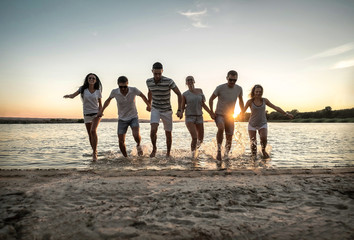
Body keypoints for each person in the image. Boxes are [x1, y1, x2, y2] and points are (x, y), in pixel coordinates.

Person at [97, 76, 151, 157]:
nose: (123, 88)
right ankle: (125, 158)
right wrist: (101, 111)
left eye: (125, 86)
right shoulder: (114, 92)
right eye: (120, 87)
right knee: (121, 141)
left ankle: (138, 145)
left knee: (136, 135)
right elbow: (108, 101)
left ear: (127, 84)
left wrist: (149, 105)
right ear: (118, 85)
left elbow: (142, 96)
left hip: (133, 117)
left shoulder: (133, 90)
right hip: (122, 119)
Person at [240, 84, 293, 158]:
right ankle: (253, 157)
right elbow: (242, 111)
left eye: (260, 92)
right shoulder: (250, 101)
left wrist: (286, 114)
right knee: (253, 142)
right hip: (252, 124)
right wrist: (235, 117)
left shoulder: (265, 100)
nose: (258, 93)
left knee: (264, 138)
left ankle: (263, 150)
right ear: (253, 92)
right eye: (257, 91)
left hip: (262, 123)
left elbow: (275, 107)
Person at [146, 62, 182, 157]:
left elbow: (179, 94)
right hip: (155, 108)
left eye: (159, 73)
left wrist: (179, 109)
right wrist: (149, 104)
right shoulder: (148, 81)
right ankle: (154, 149)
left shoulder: (169, 81)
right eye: (155, 73)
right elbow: (150, 92)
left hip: (167, 110)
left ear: (162, 71)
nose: (157, 76)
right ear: (152, 71)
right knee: (153, 129)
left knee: (168, 132)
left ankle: (168, 153)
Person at [63, 73, 103, 161]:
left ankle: (94, 152)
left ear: (96, 80)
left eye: (93, 78)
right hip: (86, 114)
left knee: (93, 131)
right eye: (90, 78)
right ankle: (94, 150)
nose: (92, 79)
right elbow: (73, 95)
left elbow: (100, 104)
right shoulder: (83, 89)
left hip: (96, 114)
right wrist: (68, 96)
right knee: (90, 134)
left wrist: (101, 111)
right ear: (87, 80)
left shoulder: (98, 91)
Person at [209, 70, 244, 161]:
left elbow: (240, 101)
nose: (232, 82)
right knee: (221, 128)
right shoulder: (220, 88)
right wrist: (211, 112)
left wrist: (242, 112)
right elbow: (211, 99)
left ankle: (226, 155)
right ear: (227, 78)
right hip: (219, 114)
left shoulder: (239, 89)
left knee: (229, 137)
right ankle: (219, 151)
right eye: (230, 80)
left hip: (230, 116)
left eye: (234, 80)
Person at [180, 76, 215, 157]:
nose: (190, 81)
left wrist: (210, 113)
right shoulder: (185, 94)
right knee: (195, 138)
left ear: (194, 81)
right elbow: (182, 107)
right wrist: (180, 112)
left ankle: (195, 151)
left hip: (199, 117)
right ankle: (193, 156)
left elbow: (203, 104)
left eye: (191, 79)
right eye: (188, 80)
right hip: (189, 117)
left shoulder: (200, 91)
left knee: (201, 139)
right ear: (186, 83)